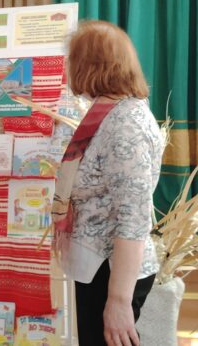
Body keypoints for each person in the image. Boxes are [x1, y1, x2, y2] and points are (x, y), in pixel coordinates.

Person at [52, 20, 163, 346]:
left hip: (113, 272)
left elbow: (133, 219)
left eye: (73, 60)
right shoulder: (111, 113)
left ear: (89, 66)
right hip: (99, 266)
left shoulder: (126, 124)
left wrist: (118, 301)